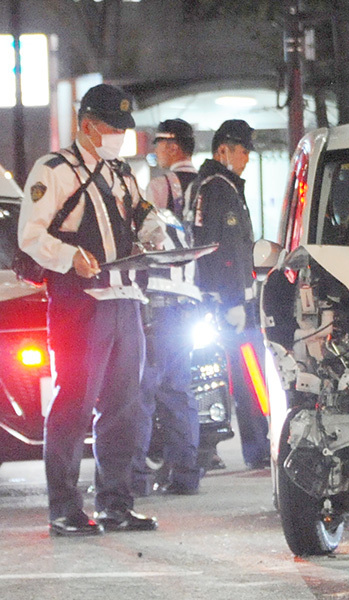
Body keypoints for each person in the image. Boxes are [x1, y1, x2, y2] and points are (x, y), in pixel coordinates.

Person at [18, 83, 161, 536]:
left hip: (124, 299)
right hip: (79, 304)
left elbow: (143, 212)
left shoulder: (120, 172)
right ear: (86, 125)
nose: (118, 134)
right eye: (111, 127)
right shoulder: (54, 170)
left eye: (122, 127)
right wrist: (69, 258)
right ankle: (64, 507)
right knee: (72, 406)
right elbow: (31, 235)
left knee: (124, 408)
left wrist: (155, 233)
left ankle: (116, 504)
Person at [186, 119, 270, 470]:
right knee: (250, 374)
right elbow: (219, 249)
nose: (247, 158)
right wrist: (233, 298)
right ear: (223, 150)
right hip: (231, 301)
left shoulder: (222, 186)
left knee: (248, 374)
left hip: (234, 297)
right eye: (243, 150)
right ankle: (259, 447)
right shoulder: (217, 188)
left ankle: (259, 444)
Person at [131, 119, 204, 496]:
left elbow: (142, 236)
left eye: (159, 142)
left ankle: (134, 480)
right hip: (188, 300)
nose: (156, 149)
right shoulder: (208, 187)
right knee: (179, 390)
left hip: (155, 302)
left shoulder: (159, 189)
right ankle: (186, 475)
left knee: (140, 392)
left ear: (174, 145)